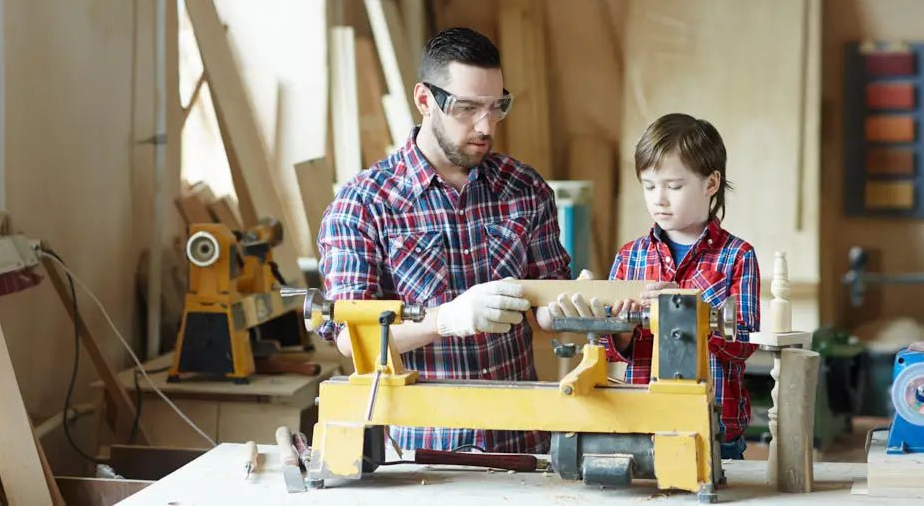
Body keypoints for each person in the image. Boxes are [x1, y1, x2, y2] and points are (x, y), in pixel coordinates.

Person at [317, 27, 571, 453]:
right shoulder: (364, 203)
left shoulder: (524, 188)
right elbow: (349, 336)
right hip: (420, 450)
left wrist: (575, 309)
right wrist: (445, 321)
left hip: (522, 441)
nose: (485, 126)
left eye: (496, 107)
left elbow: (546, 307)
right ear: (424, 100)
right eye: (467, 108)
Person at [540, 113, 760, 460]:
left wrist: (685, 308)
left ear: (711, 183)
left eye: (674, 186)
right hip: (645, 423)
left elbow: (744, 343)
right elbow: (610, 349)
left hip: (715, 427)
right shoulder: (631, 257)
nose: (659, 199)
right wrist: (623, 330)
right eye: (649, 185)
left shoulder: (737, 256)